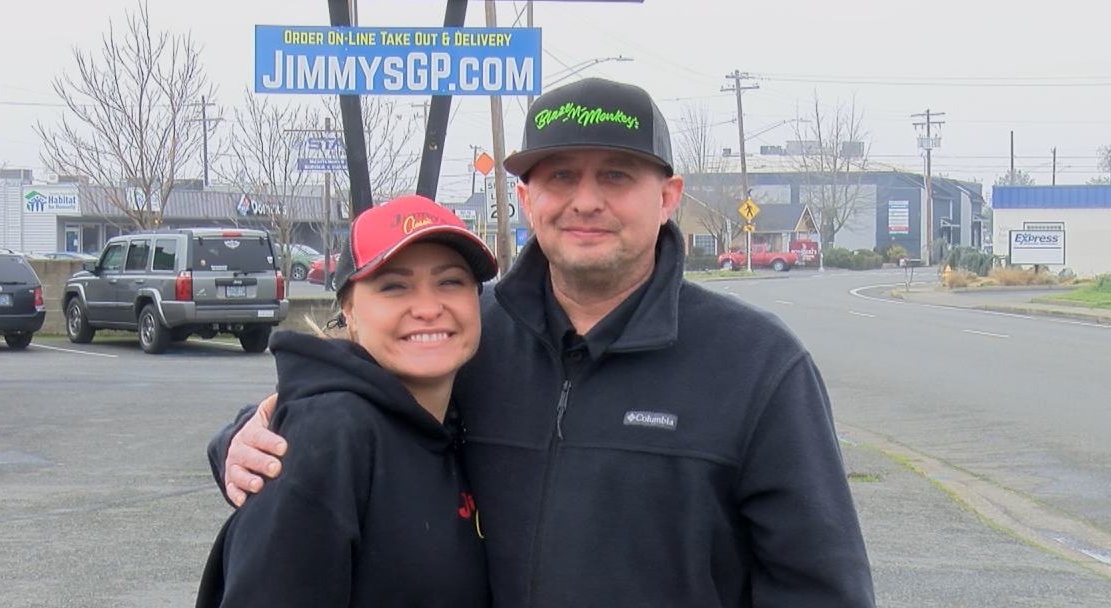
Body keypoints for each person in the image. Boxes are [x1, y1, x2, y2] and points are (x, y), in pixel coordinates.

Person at [209, 78, 875, 608]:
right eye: (560, 177)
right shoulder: (465, 337)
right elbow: (347, 400)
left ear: (668, 196)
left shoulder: (756, 365)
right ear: (527, 199)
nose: (584, 201)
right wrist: (244, 439)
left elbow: (819, 587)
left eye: (616, 175)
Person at [196, 194, 497, 608]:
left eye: (451, 281)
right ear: (349, 310)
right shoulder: (328, 436)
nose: (428, 308)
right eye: (394, 286)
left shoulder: (470, 420)